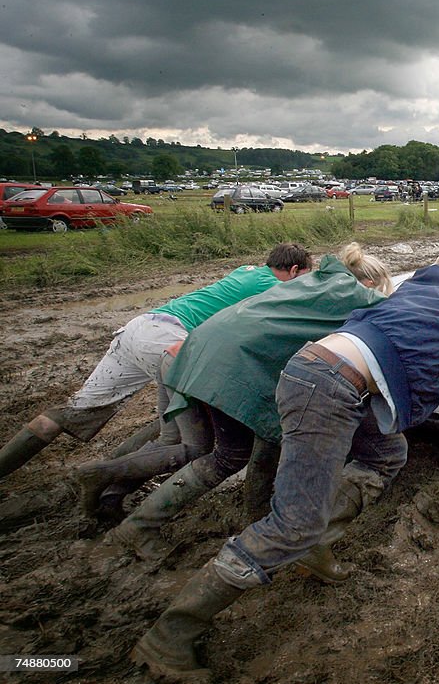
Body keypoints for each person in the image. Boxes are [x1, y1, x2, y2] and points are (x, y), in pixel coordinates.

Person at [130, 247, 439, 680]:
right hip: (330, 388)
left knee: (387, 452)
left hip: (320, 372)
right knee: (293, 524)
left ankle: (315, 542)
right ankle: (169, 638)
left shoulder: (413, 288)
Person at [75, 244, 393, 577]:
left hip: (198, 346)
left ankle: (112, 483)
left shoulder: (313, 282)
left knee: (208, 446)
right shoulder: (356, 299)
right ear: (368, 284)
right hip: (229, 364)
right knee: (230, 455)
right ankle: (139, 528)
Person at [0, 243, 313, 480]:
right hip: (169, 342)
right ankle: (102, 475)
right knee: (188, 439)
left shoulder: (245, 271)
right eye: (303, 277)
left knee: (72, 412)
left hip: (139, 328)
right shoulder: (273, 285)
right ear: (296, 270)